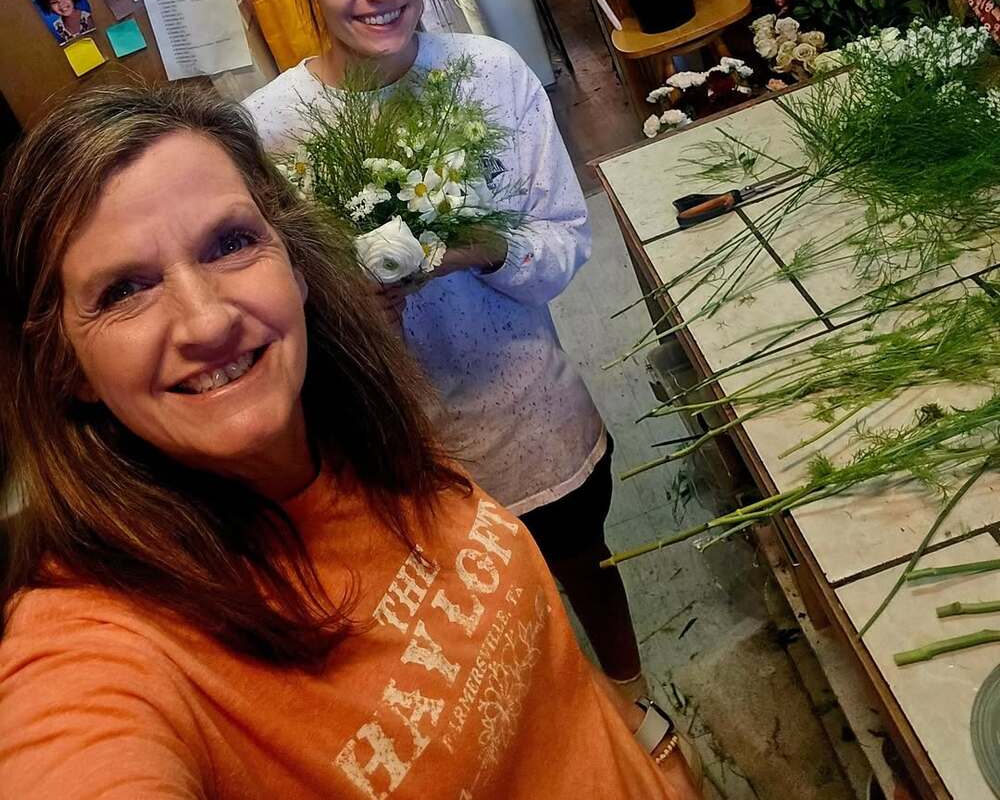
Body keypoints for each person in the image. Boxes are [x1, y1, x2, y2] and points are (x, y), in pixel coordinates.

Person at [0, 83, 700, 798]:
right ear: (64, 364)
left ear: (295, 264)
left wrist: (646, 741)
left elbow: (530, 657)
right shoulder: (99, 647)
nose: (208, 321)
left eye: (231, 244)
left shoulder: (360, 432)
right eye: (123, 291)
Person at [242, 0, 649, 703]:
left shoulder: (491, 76)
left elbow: (564, 244)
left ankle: (635, 701)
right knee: (479, 645)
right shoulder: (269, 132)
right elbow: (273, 324)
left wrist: (470, 247)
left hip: (531, 418)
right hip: (395, 459)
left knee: (585, 565)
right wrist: (350, 307)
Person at [31, 0, 95, 44]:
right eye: (54, 2)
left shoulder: (89, 17)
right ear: (48, 6)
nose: (61, 4)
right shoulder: (57, 26)